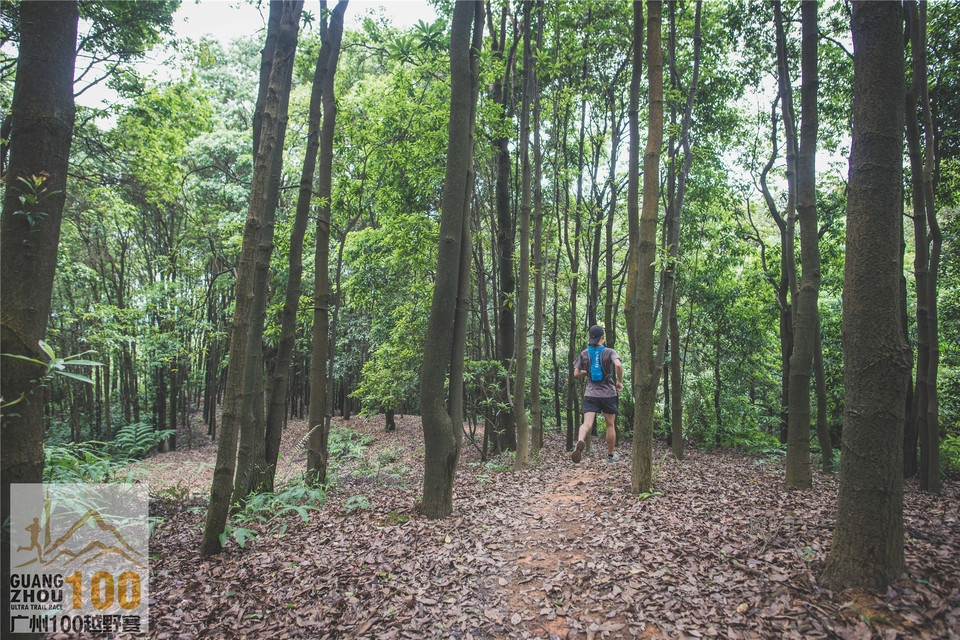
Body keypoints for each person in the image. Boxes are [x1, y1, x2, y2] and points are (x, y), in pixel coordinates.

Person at [571, 325, 624, 463]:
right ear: (602, 337)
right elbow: (618, 365)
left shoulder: (584, 353)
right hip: (608, 394)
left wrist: (587, 372)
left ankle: (580, 441)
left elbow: (576, 373)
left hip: (591, 394)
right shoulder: (609, 351)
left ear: (590, 337)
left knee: (587, 423)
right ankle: (610, 456)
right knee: (610, 425)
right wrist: (619, 381)